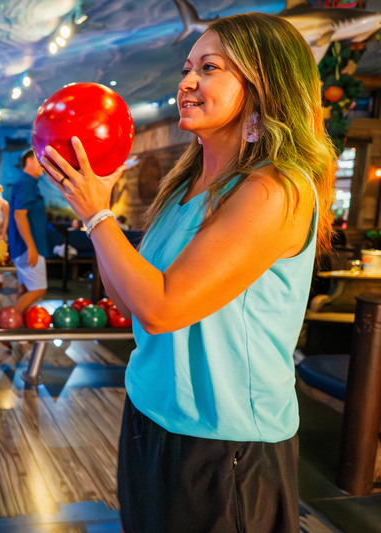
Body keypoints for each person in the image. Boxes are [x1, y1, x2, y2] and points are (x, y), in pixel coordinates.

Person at [41, 13, 334, 533]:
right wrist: (98, 216)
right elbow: (126, 296)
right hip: (150, 418)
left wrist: (97, 214)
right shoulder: (184, 187)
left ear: (263, 84)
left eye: (210, 67)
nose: (186, 82)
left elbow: (161, 309)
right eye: (187, 67)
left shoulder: (276, 190)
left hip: (226, 445)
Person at [9, 149, 49, 314]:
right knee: (38, 289)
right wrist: (31, 247)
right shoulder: (27, 183)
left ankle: (18, 330)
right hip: (29, 248)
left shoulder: (28, 183)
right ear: (29, 161)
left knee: (26, 288)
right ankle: (8, 325)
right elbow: (19, 215)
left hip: (24, 247)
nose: (44, 166)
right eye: (40, 160)